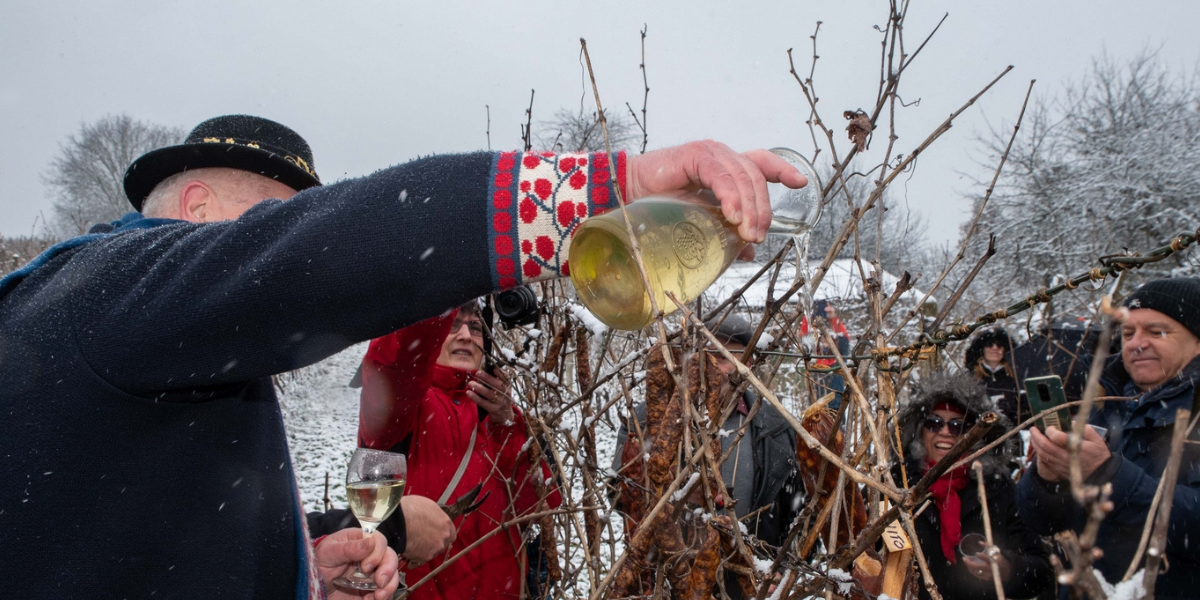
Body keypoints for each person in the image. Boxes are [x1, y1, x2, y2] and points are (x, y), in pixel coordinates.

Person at [0, 112, 806, 599]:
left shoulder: (151, 348)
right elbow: (338, 260)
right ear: (199, 208)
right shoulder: (105, 288)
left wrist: (301, 558)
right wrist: (610, 184)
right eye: (272, 223)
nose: (280, 253)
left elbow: (131, 543)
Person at [355, 300, 560, 599]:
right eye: (453, 325)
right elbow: (394, 361)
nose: (466, 335)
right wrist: (445, 289)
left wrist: (507, 424)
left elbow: (540, 506)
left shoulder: (505, 416)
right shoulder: (405, 406)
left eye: (476, 327)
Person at [1017, 278, 1200, 599]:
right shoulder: (1103, 405)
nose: (1136, 344)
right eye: (1128, 333)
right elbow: (1042, 526)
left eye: (1157, 332)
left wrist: (1108, 475)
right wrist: (1048, 481)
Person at [612, 315, 800, 599]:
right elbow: (618, 496)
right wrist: (665, 491)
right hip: (668, 574)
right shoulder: (645, 419)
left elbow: (796, 513)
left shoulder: (776, 427)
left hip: (746, 580)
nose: (711, 368)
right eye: (707, 355)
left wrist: (782, 568)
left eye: (725, 358)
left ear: (746, 364)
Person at [894, 371, 1053, 600]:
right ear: (919, 431)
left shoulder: (997, 488)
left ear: (974, 435)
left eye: (958, 425)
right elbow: (861, 557)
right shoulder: (894, 485)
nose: (946, 432)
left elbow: (1041, 570)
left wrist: (1007, 569)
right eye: (934, 423)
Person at [963, 327, 1023, 424]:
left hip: (1012, 433)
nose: (995, 348)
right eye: (989, 344)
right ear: (981, 348)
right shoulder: (969, 378)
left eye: (1000, 345)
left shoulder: (1017, 376)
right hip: (979, 433)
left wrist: (1014, 411)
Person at [800, 299, 851, 409]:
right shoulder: (809, 330)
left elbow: (845, 341)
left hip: (834, 371)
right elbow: (804, 338)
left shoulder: (837, 332)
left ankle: (837, 426)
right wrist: (810, 316)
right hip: (816, 371)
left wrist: (833, 318)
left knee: (835, 406)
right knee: (815, 408)